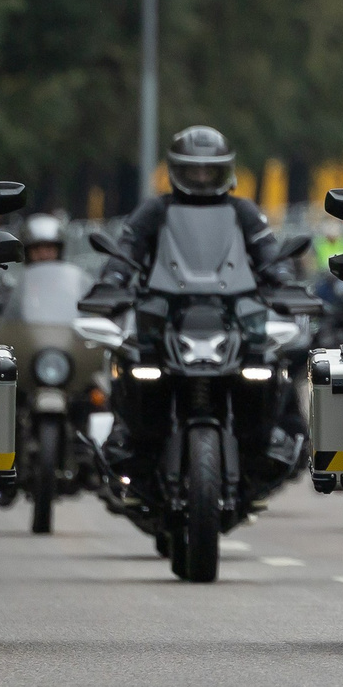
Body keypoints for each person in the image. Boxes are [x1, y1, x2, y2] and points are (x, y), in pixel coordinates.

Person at [86, 125, 307, 471]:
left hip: (230, 312)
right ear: (176, 170)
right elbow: (126, 250)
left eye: (210, 169)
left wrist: (283, 281)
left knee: (269, 357)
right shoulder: (154, 211)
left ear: (226, 170)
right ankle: (127, 432)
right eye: (194, 169)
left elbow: (267, 251)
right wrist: (113, 281)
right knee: (131, 358)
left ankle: (271, 434)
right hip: (166, 312)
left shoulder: (243, 211)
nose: (202, 177)